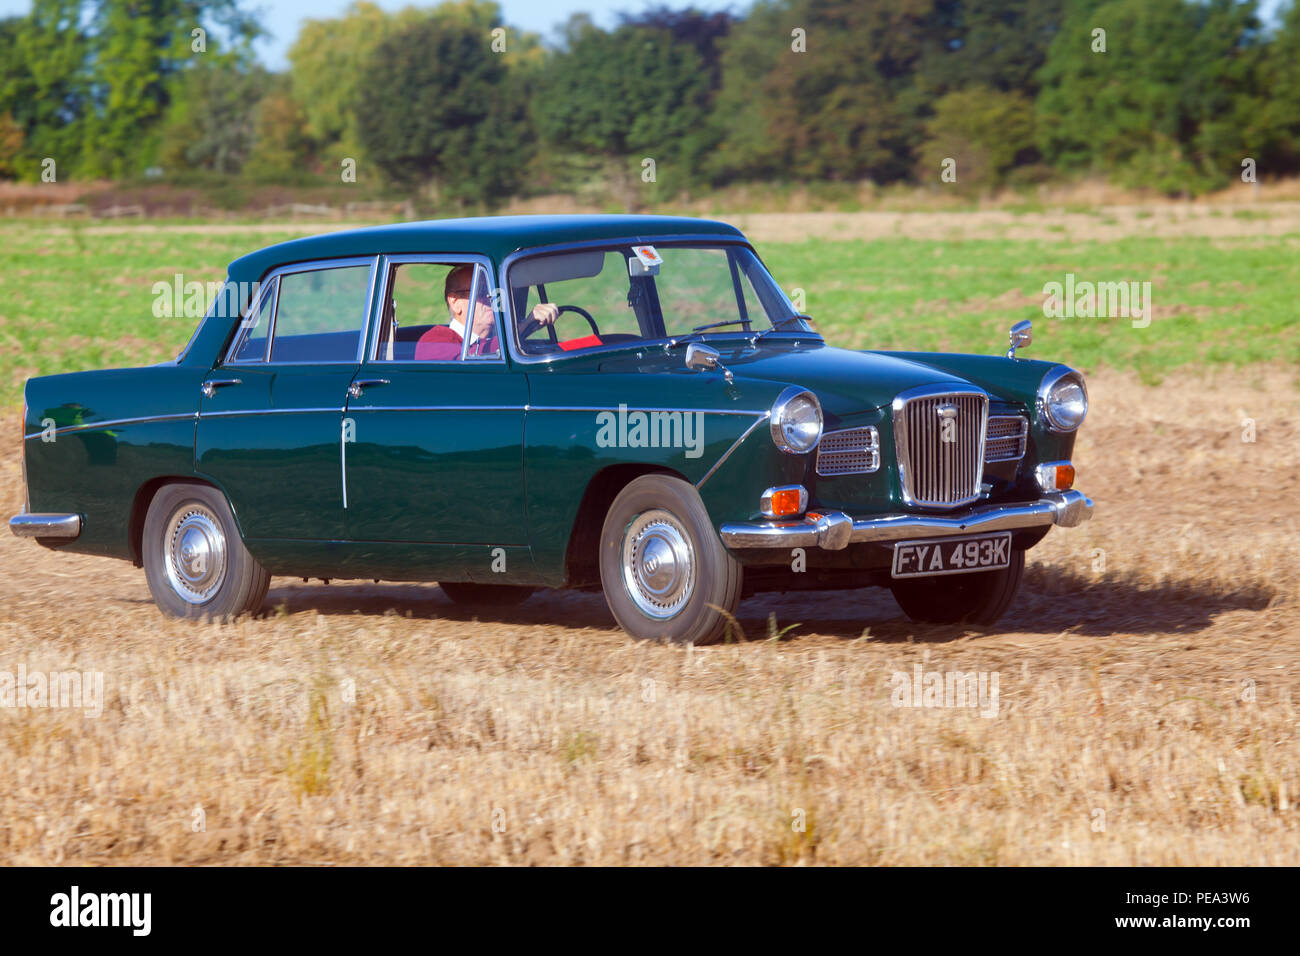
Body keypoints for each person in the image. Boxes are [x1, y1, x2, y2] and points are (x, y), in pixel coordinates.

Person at [414, 264, 558, 360]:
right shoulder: (434, 340)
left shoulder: (499, 340)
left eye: (494, 291)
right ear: (455, 302)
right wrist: (525, 325)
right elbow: (471, 363)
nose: (491, 298)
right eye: (481, 291)